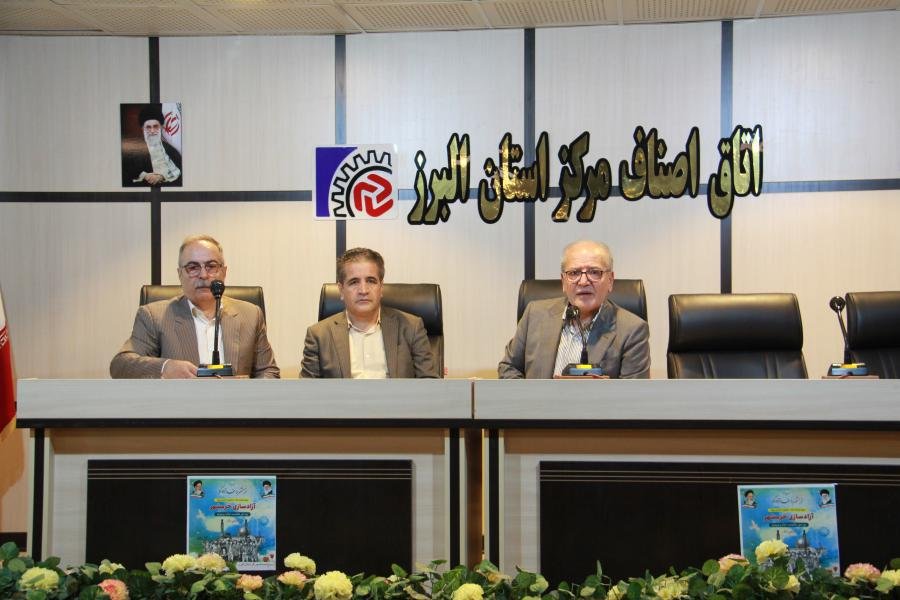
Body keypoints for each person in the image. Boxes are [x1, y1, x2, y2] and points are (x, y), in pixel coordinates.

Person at [110, 234, 280, 379]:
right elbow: (120, 365)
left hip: (236, 406)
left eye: (211, 266)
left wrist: (246, 392)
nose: (204, 275)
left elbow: (269, 371)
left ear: (224, 272)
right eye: (193, 268)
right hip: (182, 406)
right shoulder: (154, 316)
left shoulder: (250, 315)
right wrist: (165, 367)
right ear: (180, 274)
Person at [498, 240, 650, 379]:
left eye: (594, 272)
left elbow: (632, 395)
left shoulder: (632, 330)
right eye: (574, 273)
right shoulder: (534, 314)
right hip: (538, 401)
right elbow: (509, 368)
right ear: (563, 281)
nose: (583, 282)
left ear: (610, 280)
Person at [301, 247, 438, 378]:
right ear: (341, 290)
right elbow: (306, 390)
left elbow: (429, 384)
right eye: (354, 282)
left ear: (381, 287)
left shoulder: (411, 327)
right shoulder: (318, 335)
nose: (363, 290)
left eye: (371, 281)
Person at [122, 104, 182, 187]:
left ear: (161, 127)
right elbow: (126, 172)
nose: (152, 131)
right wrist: (145, 176)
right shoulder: (134, 150)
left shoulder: (170, 150)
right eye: (148, 127)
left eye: (155, 126)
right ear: (142, 129)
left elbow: (180, 172)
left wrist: (162, 177)